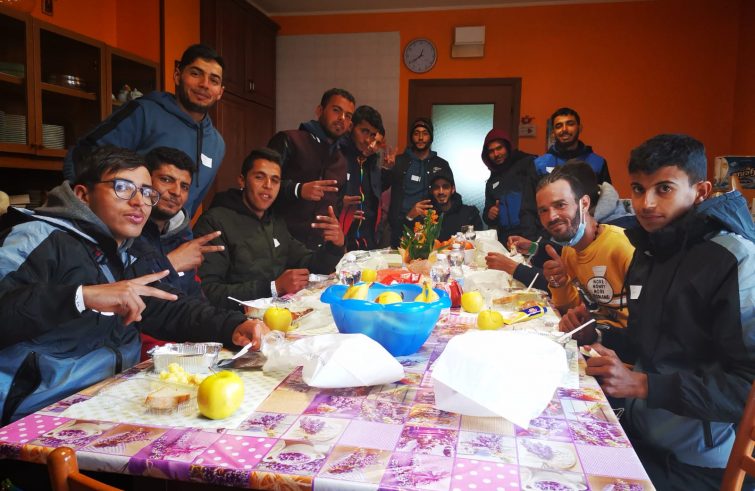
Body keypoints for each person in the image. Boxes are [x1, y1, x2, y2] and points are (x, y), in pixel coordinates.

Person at [0, 146, 265, 424]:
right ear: (83, 195)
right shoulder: (35, 237)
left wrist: (232, 326)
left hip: (107, 397)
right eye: (123, 188)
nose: (139, 202)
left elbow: (165, 306)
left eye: (147, 192)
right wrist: (81, 296)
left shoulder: (128, 249)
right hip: (38, 411)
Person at [562, 134, 755, 490]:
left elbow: (746, 388)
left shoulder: (735, 258)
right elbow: (648, 343)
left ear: (701, 191)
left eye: (664, 188)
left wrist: (643, 384)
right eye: (638, 189)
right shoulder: (650, 251)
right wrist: (597, 333)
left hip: (699, 464)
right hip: (641, 432)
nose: (646, 203)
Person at [63, 44, 226, 217]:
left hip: (168, 232)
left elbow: (191, 205)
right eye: (195, 73)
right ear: (178, 75)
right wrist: (83, 214)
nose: (204, 84)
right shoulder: (144, 113)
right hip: (122, 225)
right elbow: (82, 154)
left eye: (214, 80)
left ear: (220, 92)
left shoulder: (217, 145)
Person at [194, 148, 344, 311]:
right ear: (242, 181)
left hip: (277, 315)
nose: (268, 186)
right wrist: (273, 287)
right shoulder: (214, 222)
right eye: (259, 177)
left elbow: (309, 264)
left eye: (275, 180)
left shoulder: (274, 221)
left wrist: (335, 245)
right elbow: (207, 292)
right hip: (233, 321)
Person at [535, 168, 634, 330]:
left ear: (585, 204)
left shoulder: (622, 246)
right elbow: (575, 308)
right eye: (543, 210)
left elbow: (653, 321)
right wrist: (559, 284)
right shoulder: (569, 251)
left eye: (560, 205)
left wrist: (600, 337)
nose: (551, 217)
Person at [268, 88, 355, 249]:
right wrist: (298, 189)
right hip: (279, 245)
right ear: (320, 110)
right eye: (336, 110)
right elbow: (260, 187)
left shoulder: (342, 161)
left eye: (348, 116)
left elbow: (337, 207)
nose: (342, 118)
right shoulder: (289, 140)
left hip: (319, 251)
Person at [385, 117, 452, 247]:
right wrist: (386, 169)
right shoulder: (399, 161)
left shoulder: (441, 164)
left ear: (431, 137)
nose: (420, 138)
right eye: (416, 133)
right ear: (411, 136)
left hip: (432, 231)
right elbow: (381, 187)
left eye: (425, 133)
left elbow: (452, 195)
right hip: (402, 229)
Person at [481, 128, 541, 245]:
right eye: (491, 151)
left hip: (532, 234)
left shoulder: (527, 164)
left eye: (499, 148)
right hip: (506, 239)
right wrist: (489, 213)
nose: (496, 154)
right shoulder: (492, 181)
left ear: (507, 147)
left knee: (532, 257)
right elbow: (487, 215)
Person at [339, 105, 385, 251]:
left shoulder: (371, 163)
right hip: (341, 241)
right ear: (351, 127)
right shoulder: (337, 155)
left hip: (368, 242)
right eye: (364, 131)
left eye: (372, 135)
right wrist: (340, 206)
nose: (368, 140)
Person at [534, 107, 610, 183]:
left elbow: (607, 191)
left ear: (579, 128)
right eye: (559, 126)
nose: (564, 129)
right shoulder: (539, 164)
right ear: (553, 133)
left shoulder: (598, 162)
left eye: (570, 124)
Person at [405, 169, 482, 242]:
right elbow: (407, 242)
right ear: (431, 191)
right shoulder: (425, 215)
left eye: (445, 187)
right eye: (436, 187)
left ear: (453, 189)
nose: (441, 192)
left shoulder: (470, 213)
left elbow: (480, 242)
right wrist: (409, 217)